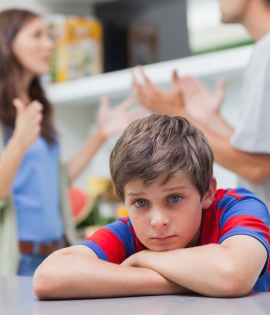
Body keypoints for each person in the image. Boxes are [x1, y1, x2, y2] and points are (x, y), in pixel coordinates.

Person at [33, 114, 270, 299]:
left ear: (207, 191)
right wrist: (182, 280)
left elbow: (233, 274)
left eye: (174, 198)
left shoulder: (239, 207)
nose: (158, 221)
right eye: (141, 202)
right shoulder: (129, 230)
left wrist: (143, 259)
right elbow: (48, 277)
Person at [0, 8, 143, 276]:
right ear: (6, 42)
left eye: (49, 36)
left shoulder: (39, 108)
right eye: (37, 35)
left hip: (56, 251)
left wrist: (100, 134)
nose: (49, 45)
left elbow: (59, 179)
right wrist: (18, 144)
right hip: (17, 260)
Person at [132, 0, 270, 207]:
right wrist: (209, 118)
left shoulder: (266, 51)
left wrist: (179, 114)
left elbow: (255, 168)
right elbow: (257, 155)